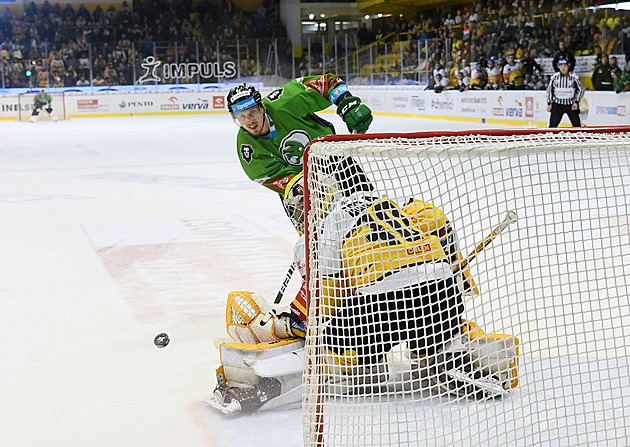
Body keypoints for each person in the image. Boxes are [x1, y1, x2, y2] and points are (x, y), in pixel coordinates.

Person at [207, 159, 519, 414]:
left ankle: (275, 385)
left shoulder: (323, 230)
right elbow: (438, 220)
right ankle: (452, 353)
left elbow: (319, 310)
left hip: (385, 307)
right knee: (424, 339)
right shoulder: (390, 202)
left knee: (329, 342)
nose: (300, 215)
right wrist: (457, 273)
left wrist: (281, 325)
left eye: (302, 206)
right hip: (443, 297)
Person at [227, 76, 373, 199]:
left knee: (372, 211)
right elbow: (275, 178)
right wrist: (305, 187)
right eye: (242, 117)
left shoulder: (286, 101)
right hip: (301, 187)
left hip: (334, 159)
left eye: (252, 113)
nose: (249, 122)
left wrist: (346, 103)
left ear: (261, 108)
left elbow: (328, 82)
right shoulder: (248, 150)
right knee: (319, 230)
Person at [546, 59, 585, 127]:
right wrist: (549, 103)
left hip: (571, 104)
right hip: (558, 104)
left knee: (577, 126)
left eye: (565, 66)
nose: (563, 68)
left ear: (568, 66)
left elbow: (581, 89)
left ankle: (579, 137)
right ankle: (551, 137)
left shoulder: (574, 77)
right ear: (559, 67)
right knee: (552, 126)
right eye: (561, 66)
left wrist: (576, 102)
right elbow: (549, 90)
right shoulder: (554, 77)